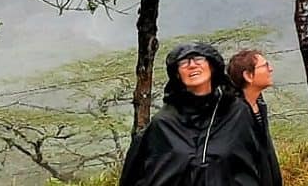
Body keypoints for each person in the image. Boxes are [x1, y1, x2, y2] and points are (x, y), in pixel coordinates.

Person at [119, 42, 279, 186]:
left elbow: (260, 165)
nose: (192, 65)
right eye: (183, 62)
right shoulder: (163, 123)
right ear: (177, 74)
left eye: (199, 59)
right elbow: (139, 173)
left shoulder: (236, 113)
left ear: (212, 66)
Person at [227, 49, 282, 186]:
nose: (271, 69)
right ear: (248, 76)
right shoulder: (236, 114)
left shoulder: (258, 104)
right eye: (265, 66)